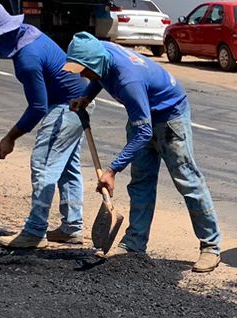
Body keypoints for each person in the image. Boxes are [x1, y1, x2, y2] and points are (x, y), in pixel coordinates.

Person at [61, 30, 222, 273]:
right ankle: (135, 244)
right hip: (142, 115)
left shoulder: (129, 81)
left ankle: (211, 247)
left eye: (84, 70)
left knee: (188, 181)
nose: (82, 74)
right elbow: (98, 77)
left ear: (96, 63)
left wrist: (112, 170)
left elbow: (144, 133)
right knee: (141, 183)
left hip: (169, 118)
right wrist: (86, 96)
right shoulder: (100, 52)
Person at [0, 4, 93, 251]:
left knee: (43, 164)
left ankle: (34, 231)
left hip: (67, 106)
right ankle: (72, 227)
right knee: (67, 168)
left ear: (2, 35)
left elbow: (37, 107)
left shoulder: (27, 58)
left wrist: (10, 138)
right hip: (79, 101)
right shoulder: (28, 33)